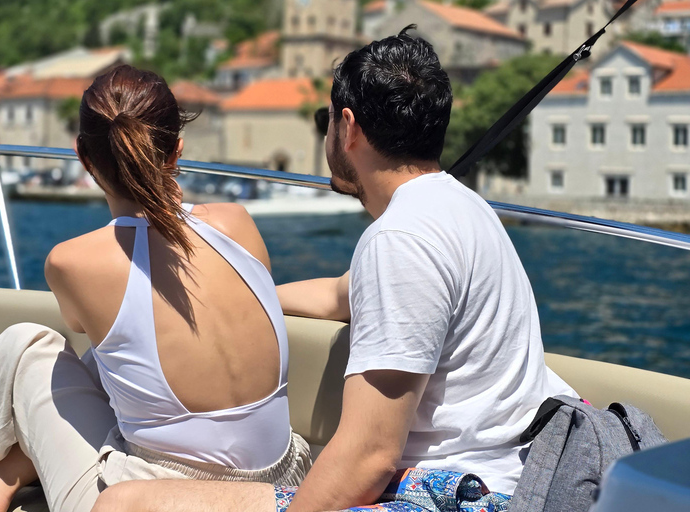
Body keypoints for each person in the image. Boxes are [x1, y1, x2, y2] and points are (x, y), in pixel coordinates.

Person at [91, 26, 577, 512]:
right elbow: (341, 296)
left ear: (349, 127)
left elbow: (369, 459)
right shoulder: (464, 206)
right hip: (512, 473)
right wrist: (242, 295)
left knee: (126, 503)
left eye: (327, 120)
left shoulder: (398, 240)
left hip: (455, 495)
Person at [0, 65, 309, 512]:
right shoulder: (236, 223)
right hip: (280, 483)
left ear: (84, 159)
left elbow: (81, 326)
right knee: (102, 360)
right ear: (176, 151)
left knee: (27, 345)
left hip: (154, 498)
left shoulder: (73, 262)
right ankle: (0, 477)